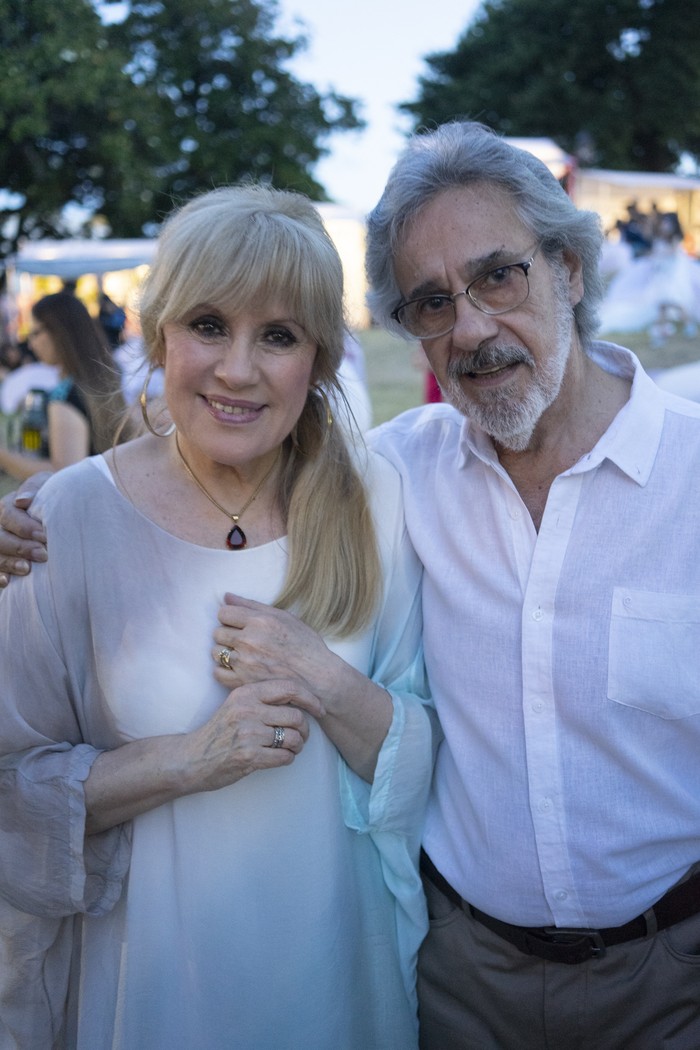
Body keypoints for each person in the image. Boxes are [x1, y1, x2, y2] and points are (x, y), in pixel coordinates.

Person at [0, 185, 434, 1049]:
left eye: (278, 336)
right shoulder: (69, 515)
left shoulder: (380, 499)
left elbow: (431, 755)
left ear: (320, 356)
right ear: (160, 330)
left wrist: (325, 680)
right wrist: (187, 759)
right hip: (154, 989)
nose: (238, 369)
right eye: (208, 324)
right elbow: (13, 788)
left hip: (339, 984)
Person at [364, 121, 700, 1048]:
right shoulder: (396, 473)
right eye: (431, 303)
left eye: (497, 276)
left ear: (571, 269)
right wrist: (53, 516)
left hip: (675, 981)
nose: (470, 328)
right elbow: (235, 482)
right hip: (467, 983)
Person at [0, 292, 131, 480]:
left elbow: (63, 472)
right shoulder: (102, 379)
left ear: (59, 332)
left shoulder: (66, 397)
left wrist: (3, 456)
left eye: (35, 333)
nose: (31, 344)